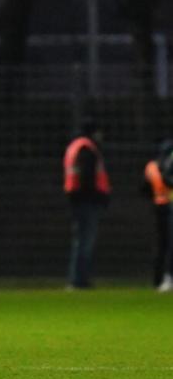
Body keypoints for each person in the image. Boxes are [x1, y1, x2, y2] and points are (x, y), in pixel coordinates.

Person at [63, 120, 111, 289]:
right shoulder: (87, 148)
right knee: (85, 242)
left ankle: (77, 278)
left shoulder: (74, 146)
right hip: (86, 201)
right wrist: (99, 197)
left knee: (80, 240)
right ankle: (79, 280)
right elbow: (87, 177)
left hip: (76, 199)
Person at [142, 139, 173, 291]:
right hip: (168, 204)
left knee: (161, 244)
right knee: (168, 244)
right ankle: (167, 277)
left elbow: (144, 188)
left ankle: (157, 279)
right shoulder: (168, 163)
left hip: (157, 206)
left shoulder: (151, 166)